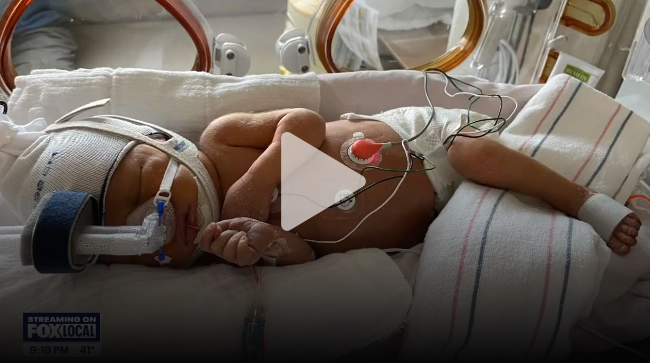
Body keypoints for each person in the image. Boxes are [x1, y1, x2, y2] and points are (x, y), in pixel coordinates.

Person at [0, 100, 641, 269]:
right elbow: (305, 254)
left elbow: (302, 122)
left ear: (160, 145)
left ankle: (589, 201)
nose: (154, 220)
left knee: (478, 153)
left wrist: (256, 181)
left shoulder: (222, 143)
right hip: (434, 225)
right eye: (131, 238)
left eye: (142, 185)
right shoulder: (221, 248)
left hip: (423, 150)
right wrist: (268, 243)